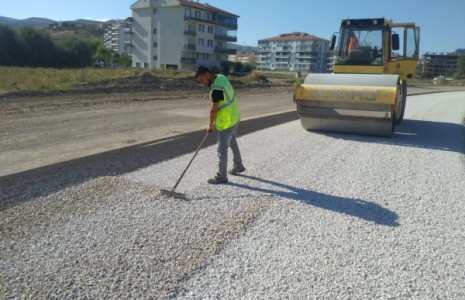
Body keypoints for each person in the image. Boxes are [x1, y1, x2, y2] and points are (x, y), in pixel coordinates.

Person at [194, 66, 246, 184]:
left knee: (222, 149)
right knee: (232, 140)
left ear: (207, 74)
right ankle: (238, 165)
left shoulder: (216, 89)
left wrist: (210, 125)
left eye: (202, 80)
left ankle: (222, 176)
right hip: (234, 117)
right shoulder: (221, 77)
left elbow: (213, 110)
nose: (202, 83)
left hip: (226, 122)